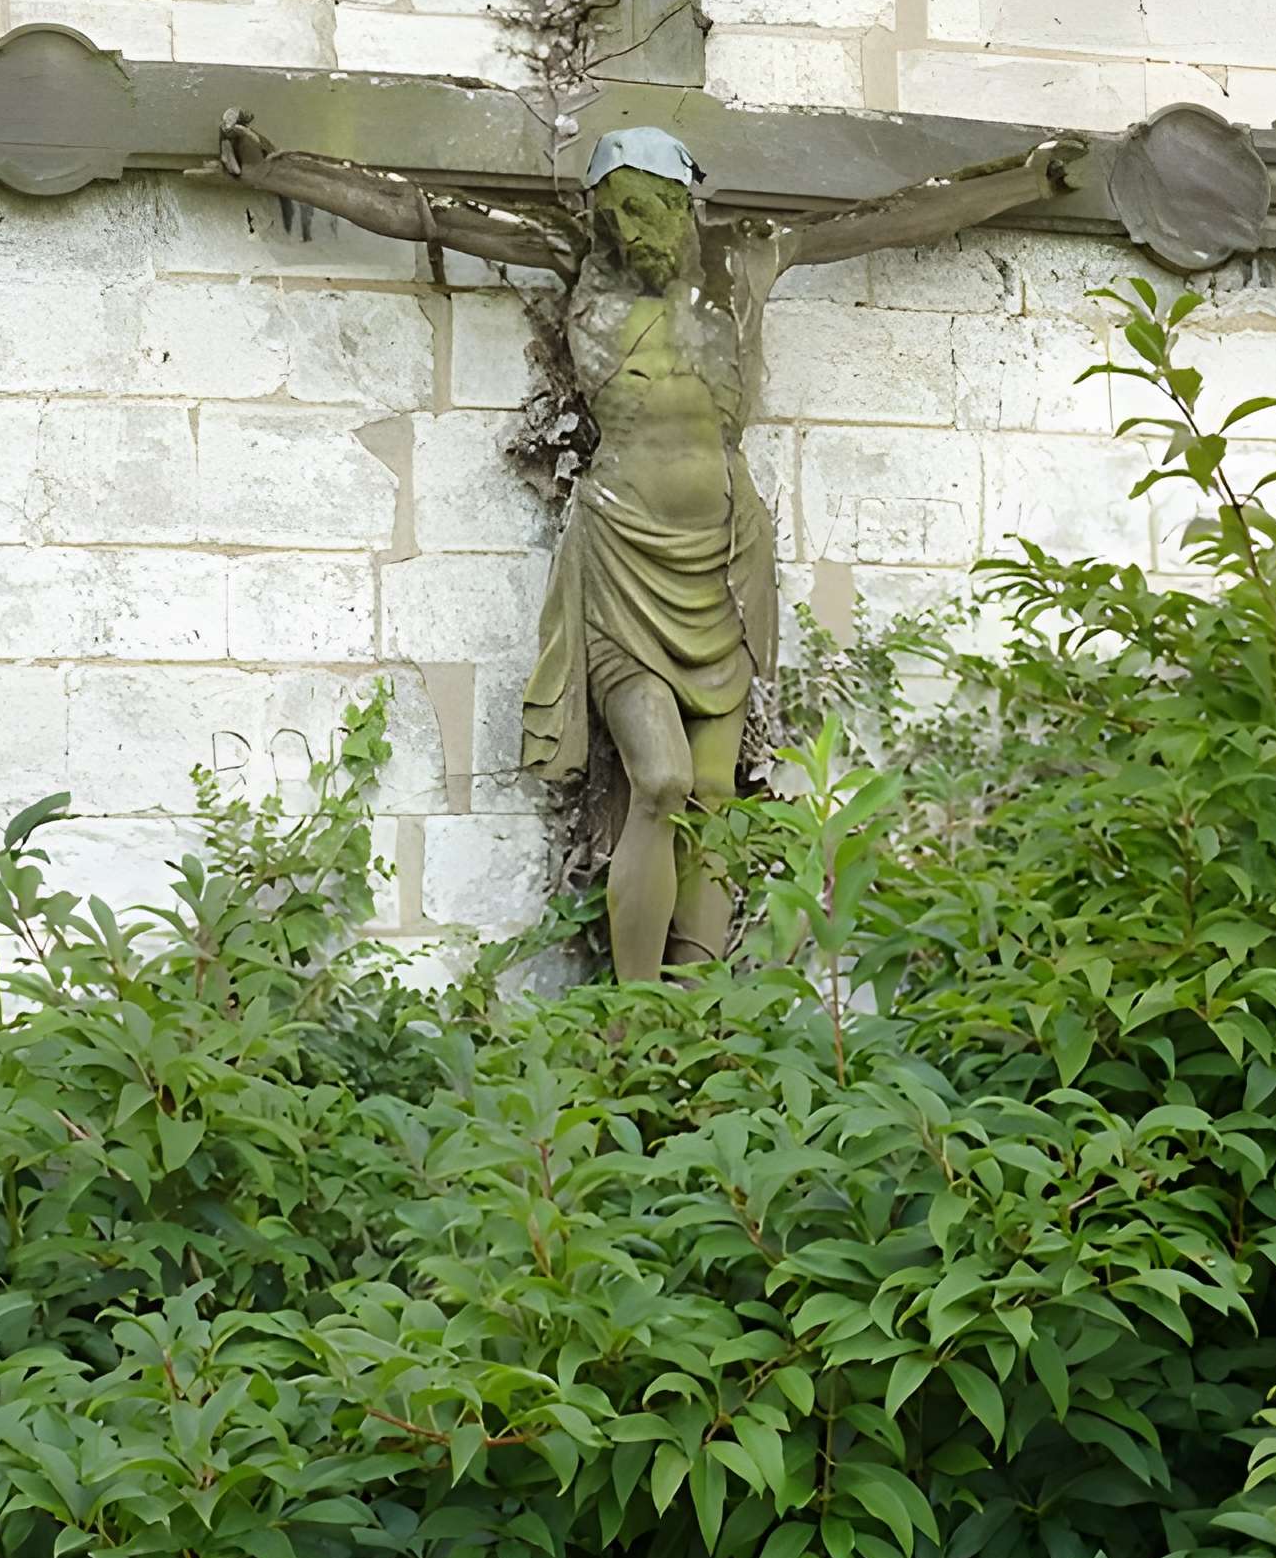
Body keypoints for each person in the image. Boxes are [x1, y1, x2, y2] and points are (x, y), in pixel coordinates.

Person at [215, 114, 1079, 977]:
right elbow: (426, 213)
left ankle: (695, 1010)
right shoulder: (579, 263)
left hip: (726, 562)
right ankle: (632, 1018)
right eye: (616, 213)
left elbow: (884, 221)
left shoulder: (746, 257)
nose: (634, 231)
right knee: (659, 780)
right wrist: (278, 168)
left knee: (711, 797)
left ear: (684, 202)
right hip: (623, 558)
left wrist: (1025, 180)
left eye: (650, 209)